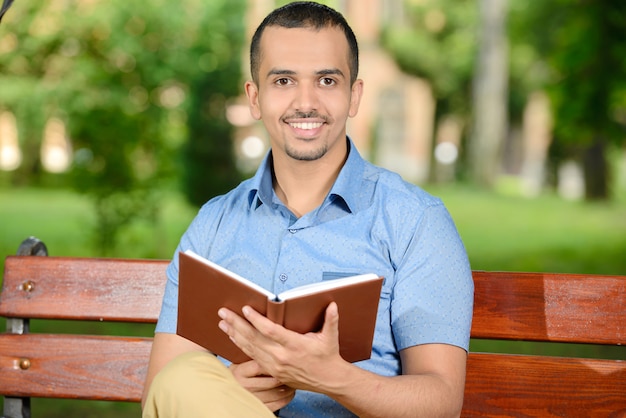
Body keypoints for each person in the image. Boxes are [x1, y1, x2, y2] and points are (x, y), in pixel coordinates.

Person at [141, 2, 474, 417]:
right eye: (283, 80)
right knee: (181, 378)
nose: (306, 102)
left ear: (354, 95)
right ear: (255, 97)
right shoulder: (214, 224)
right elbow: (164, 391)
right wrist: (226, 392)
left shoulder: (416, 222)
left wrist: (331, 377)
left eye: (327, 80)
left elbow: (441, 404)